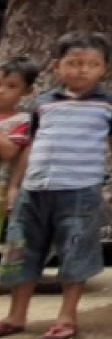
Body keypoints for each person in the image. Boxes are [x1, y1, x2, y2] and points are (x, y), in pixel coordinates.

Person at [0, 32, 112, 339]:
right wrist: (16, 184)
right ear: (57, 67)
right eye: (73, 63)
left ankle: (66, 316)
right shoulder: (43, 104)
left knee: (76, 251)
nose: (81, 70)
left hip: (80, 191)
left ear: (103, 68)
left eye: (91, 64)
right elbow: (32, 145)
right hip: (35, 189)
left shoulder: (110, 104)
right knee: (21, 251)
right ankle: (17, 314)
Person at [0, 57, 37, 237]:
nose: (1, 90)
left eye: (11, 86)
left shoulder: (21, 121)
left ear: (27, 91)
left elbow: (9, 152)